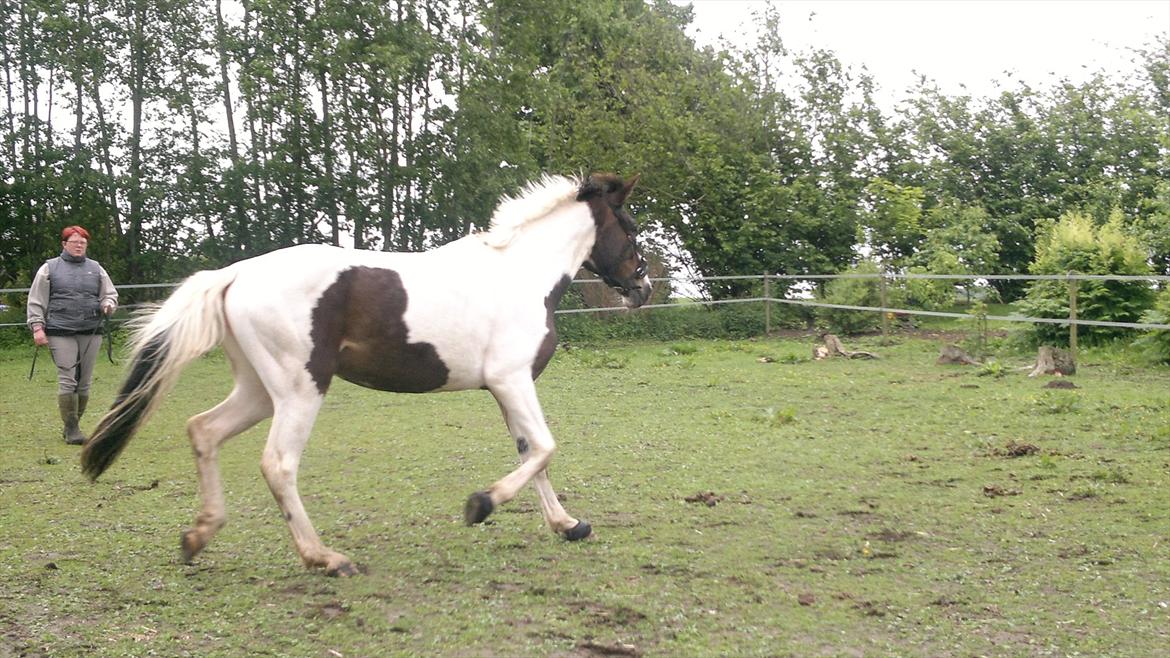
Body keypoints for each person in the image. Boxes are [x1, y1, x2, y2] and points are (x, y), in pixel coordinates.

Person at [26, 226, 119, 445]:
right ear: (64, 244)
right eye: (75, 242)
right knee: (68, 379)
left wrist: (108, 304)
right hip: (60, 330)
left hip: (90, 331)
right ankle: (72, 429)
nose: (79, 245)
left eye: (83, 243)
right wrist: (37, 328)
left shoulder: (96, 269)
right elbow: (36, 299)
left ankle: (73, 423)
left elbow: (110, 294)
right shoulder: (49, 268)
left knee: (84, 382)